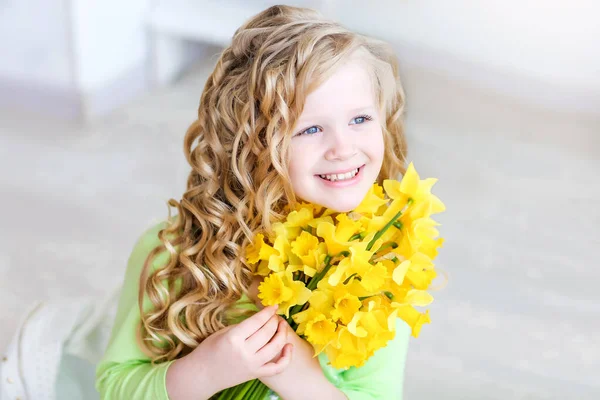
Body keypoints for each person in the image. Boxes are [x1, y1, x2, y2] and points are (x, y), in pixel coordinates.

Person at [95, 4, 412, 400]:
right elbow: (115, 387)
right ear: (251, 145)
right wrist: (205, 370)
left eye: (360, 120)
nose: (343, 148)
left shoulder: (379, 271)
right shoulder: (174, 252)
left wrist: (299, 378)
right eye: (311, 128)